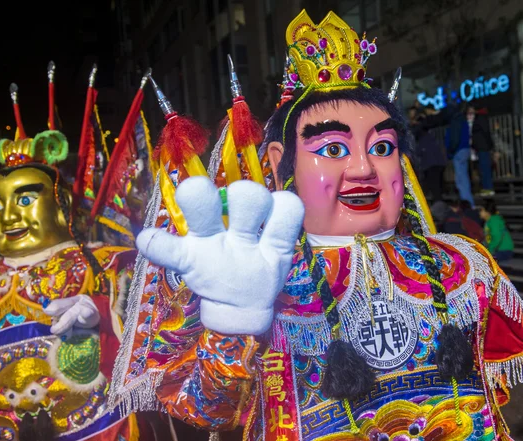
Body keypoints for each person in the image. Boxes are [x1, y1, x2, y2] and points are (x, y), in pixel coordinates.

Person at [111, 10, 523, 441]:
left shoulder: (461, 266)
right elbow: (205, 409)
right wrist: (233, 324)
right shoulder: (260, 277)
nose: (364, 168)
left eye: (382, 146)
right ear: (277, 161)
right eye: (332, 149)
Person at [0, 82, 142, 440]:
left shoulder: (105, 264)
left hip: (95, 427)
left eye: (24, 201)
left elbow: (153, 335)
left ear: (62, 208)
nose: (8, 216)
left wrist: (101, 313)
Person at [410, 106, 447, 203]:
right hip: (437, 162)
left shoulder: (422, 133)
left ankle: (439, 208)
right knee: (437, 188)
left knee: (435, 189)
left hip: (431, 164)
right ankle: (439, 205)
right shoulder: (428, 133)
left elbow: (418, 150)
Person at [446, 105, 475, 206]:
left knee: (461, 180)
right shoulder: (461, 119)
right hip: (465, 149)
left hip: (458, 150)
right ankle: (467, 203)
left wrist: (450, 151)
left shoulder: (455, 121)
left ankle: (468, 204)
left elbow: (454, 139)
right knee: (463, 178)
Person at [469, 105, 495, 197]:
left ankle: (488, 188)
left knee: (485, 168)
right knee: (484, 168)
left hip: (482, 147)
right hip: (483, 146)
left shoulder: (480, 118)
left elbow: (485, 132)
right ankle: (487, 188)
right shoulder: (481, 118)